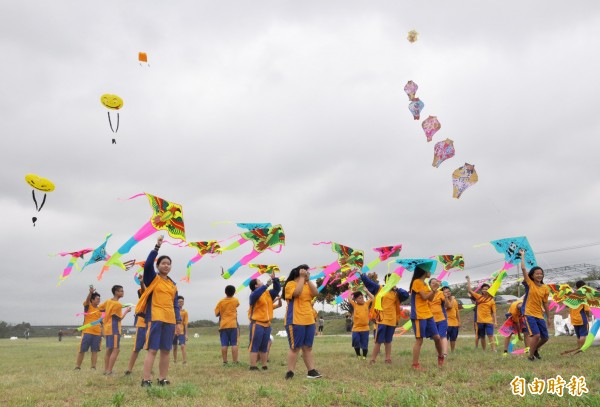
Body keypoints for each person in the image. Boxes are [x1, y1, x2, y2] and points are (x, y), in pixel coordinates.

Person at [136, 235, 183, 386]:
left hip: (170, 320)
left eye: (168, 264)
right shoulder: (152, 278)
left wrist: (178, 322)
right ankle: (146, 379)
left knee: (166, 350)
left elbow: (175, 305)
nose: (166, 266)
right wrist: (157, 247)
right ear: (158, 266)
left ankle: (162, 378)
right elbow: (148, 263)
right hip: (155, 318)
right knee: (152, 350)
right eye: (163, 263)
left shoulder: (173, 285)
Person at [283, 264, 321, 379]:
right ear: (298, 273)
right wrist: (302, 278)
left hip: (308, 320)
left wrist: (307, 280)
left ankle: (311, 371)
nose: (307, 274)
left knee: (308, 347)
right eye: (305, 272)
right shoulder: (290, 284)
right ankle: (290, 372)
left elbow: (315, 293)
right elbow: (296, 293)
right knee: (295, 348)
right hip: (295, 320)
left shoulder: (306, 284)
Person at [360, 273, 407, 365]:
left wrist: (396, 288)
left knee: (388, 340)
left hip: (392, 320)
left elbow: (405, 295)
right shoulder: (380, 289)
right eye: (389, 279)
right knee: (379, 341)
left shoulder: (397, 292)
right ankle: (373, 360)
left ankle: (388, 359)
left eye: (393, 279)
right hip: (382, 320)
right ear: (386, 281)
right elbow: (369, 282)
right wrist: (362, 274)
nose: (391, 281)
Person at [519, 249, 550, 361]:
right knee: (536, 336)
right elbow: (523, 268)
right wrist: (522, 255)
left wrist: (548, 316)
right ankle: (530, 356)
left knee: (545, 337)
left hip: (539, 315)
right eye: (537, 273)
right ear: (532, 275)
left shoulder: (545, 288)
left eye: (541, 273)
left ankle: (534, 350)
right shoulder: (530, 283)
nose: (539, 275)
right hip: (528, 313)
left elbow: (545, 302)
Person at [410, 267, 444, 369]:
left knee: (437, 338)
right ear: (424, 271)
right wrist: (433, 289)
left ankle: (441, 356)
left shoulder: (425, 284)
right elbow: (424, 297)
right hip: (418, 315)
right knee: (419, 340)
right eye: (429, 270)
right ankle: (415, 365)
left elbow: (431, 298)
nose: (430, 272)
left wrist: (435, 290)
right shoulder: (417, 282)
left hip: (428, 314)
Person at [248, 273, 281, 371]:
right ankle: (253, 366)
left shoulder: (267, 294)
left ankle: (264, 365)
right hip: (257, 323)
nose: (261, 281)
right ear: (256, 286)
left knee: (264, 345)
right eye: (259, 281)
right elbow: (257, 293)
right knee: (255, 345)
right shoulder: (253, 295)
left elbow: (277, 290)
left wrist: (275, 279)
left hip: (267, 324)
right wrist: (266, 285)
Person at [99, 285, 131, 375]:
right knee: (116, 349)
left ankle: (106, 370)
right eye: (121, 291)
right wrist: (126, 311)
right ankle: (109, 371)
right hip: (114, 328)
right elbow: (119, 318)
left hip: (107, 328)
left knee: (109, 349)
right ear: (116, 292)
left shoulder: (108, 301)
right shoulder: (118, 304)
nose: (123, 292)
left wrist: (105, 316)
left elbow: (100, 308)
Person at [466, 277, 497, 352]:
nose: (485, 290)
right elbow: (470, 290)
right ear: (481, 290)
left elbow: (494, 312)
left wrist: (495, 321)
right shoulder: (478, 297)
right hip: (480, 321)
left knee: (490, 336)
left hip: (489, 321)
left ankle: (494, 350)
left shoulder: (491, 300)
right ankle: (484, 350)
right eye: (483, 289)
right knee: (482, 336)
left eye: (486, 289)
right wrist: (468, 280)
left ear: (489, 290)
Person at [75, 286, 103, 370]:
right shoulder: (88, 307)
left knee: (95, 351)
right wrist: (90, 293)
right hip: (87, 332)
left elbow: (102, 322)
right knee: (82, 350)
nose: (99, 300)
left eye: (99, 299)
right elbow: (87, 301)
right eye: (97, 299)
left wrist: (103, 332)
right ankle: (77, 367)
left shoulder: (100, 309)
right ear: (92, 299)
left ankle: (93, 367)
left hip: (97, 333)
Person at [562, 280, 591, 355]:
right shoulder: (583, 296)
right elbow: (586, 309)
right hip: (581, 318)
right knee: (583, 334)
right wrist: (588, 316)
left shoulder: (572, 296)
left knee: (578, 335)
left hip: (573, 318)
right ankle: (581, 349)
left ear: (576, 287)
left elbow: (566, 305)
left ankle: (578, 347)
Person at [215, 285, 240, 364]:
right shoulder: (235, 300)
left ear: (225, 292)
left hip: (223, 325)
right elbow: (237, 305)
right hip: (233, 324)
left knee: (224, 344)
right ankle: (235, 361)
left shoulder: (220, 301)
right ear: (234, 292)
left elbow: (216, 313)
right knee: (234, 344)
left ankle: (225, 361)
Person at [125, 283, 147, 375]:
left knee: (152, 349)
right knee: (136, 348)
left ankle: (148, 369)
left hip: (152, 324)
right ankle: (129, 370)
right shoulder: (143, 295)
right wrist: (142, 282)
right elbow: (144, 290)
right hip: (142, 324)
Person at [348, 290, 374, 359]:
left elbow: (372, 298)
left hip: (365, 328)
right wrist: (350, 290)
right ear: (356, 300)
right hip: (356, 328)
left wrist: (367, 291)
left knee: (364, 344)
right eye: (359, 298)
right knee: (356, 341)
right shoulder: (355, 305)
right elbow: (349, 299)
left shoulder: (366, 304)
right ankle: (358, 355)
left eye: (362, 297)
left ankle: (364, 356)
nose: (362, 299)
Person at [429, 279, 449, 356]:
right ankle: (439, 353)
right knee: (436, 338)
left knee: (442, 336)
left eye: (435, 283)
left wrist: (446, 297)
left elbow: (446, 305)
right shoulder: (427, 293)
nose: (434, 284)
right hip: (431, 319)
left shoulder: (441, 293)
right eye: (432, 283)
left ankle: (445, 353)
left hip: (441, 318)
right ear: (430, 285)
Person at [443, 287, 460, 353]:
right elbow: (449, 306)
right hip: (446, 323)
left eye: (449, 291)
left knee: (453, 339)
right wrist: (452, 299)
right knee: (445, 339)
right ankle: (445, 351)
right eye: (446, 292)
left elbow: (457, 311)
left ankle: (452, 351)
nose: (448, 293)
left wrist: (459, 321)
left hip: (454, 323)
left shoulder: (455, 301)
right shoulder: (443, 301)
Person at [173, 296, 189, 364]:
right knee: (174, 347)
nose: (180, 303)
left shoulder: (185, 312)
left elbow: (185, 323)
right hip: (173, 332)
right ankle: (175, 361)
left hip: (181, 332)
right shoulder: (173, 311)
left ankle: (184, 361)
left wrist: (186, 334)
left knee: (183, 346)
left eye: (182, 301)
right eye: (179, 302)